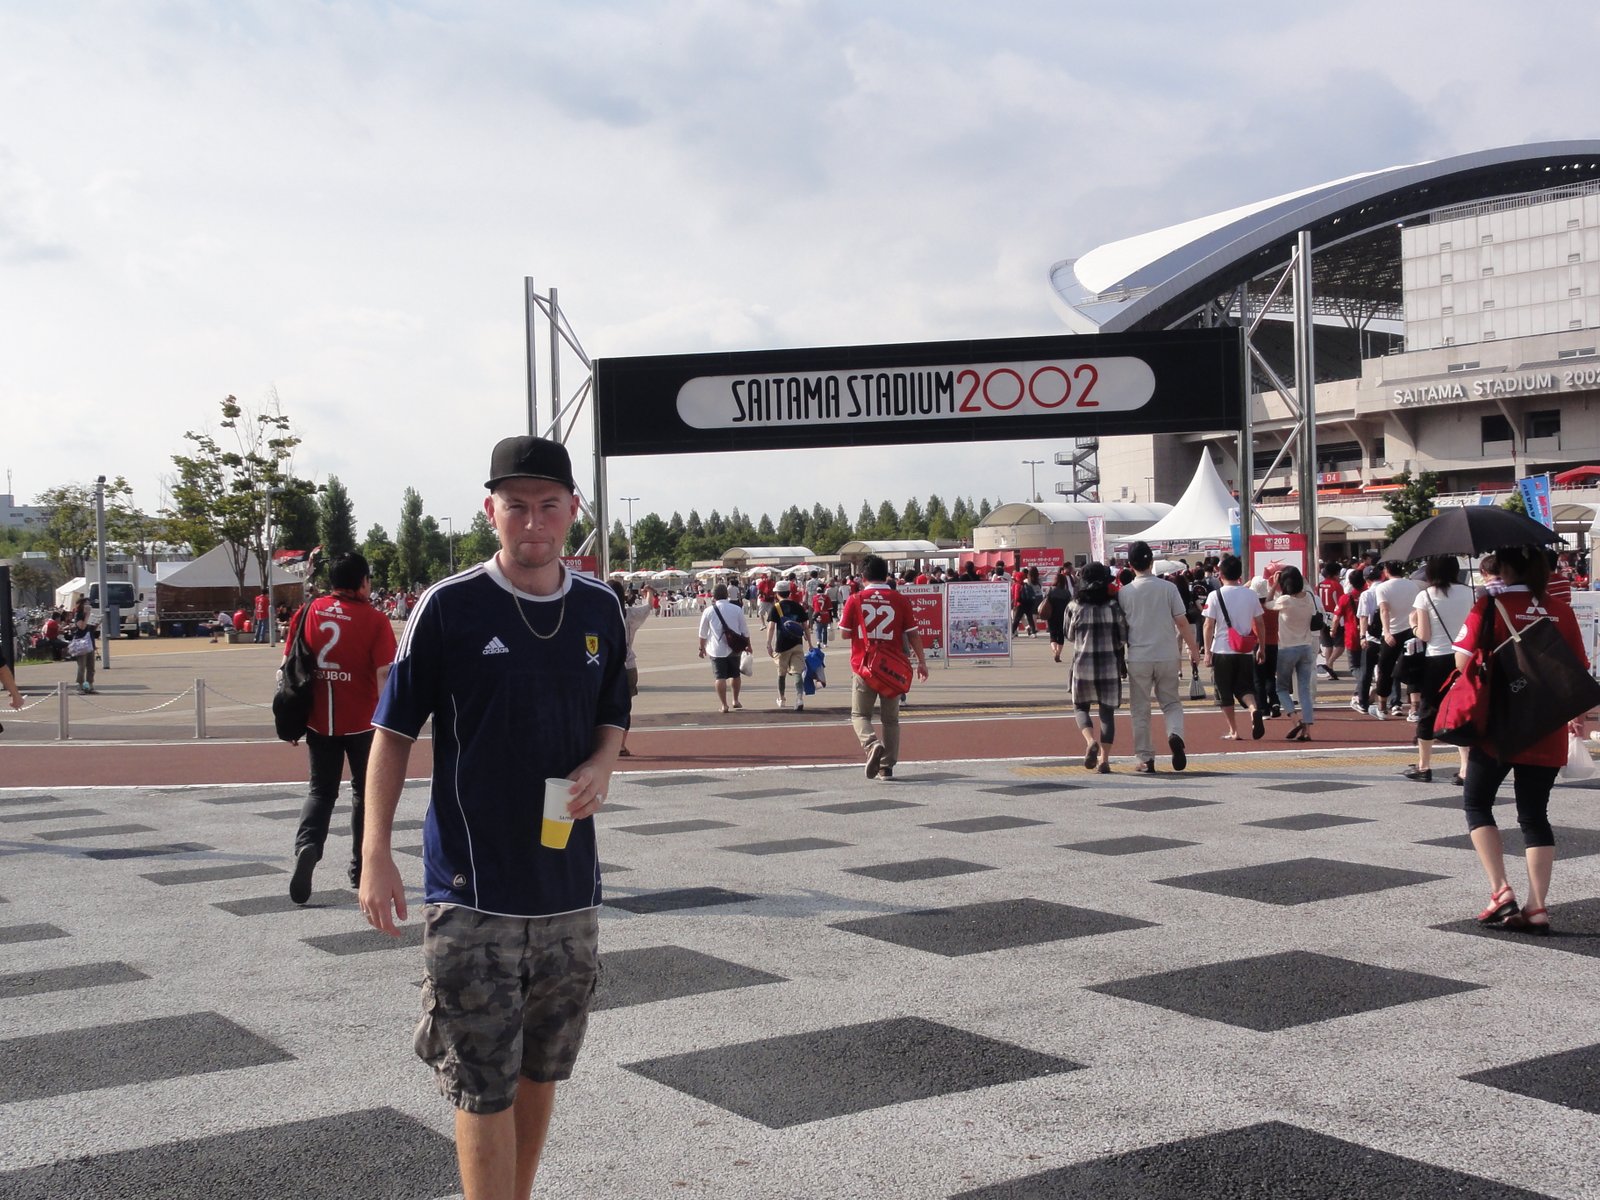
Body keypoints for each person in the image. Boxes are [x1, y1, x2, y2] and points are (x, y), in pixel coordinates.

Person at [359, 435, 626, 1199]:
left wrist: (603, 764)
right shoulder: (449, 608)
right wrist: (375, 852)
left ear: (574, 511)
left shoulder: (600, 607)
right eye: (516, 506)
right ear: (490, 513)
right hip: (472, 890)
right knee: (482, 1079)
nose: (533, 521)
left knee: (544, 1067)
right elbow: (392, 734)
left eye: (549, 505)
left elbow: (614, 710)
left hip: (569, 886)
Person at [1452, 545, 1588, 936]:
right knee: (1534, 815)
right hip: (1546, 723)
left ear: (1506, 568)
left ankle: (1500, 891)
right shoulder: (1559, 608)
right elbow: (1577, 669)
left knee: (1477, 803)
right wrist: (1576, 717)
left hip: (1498, 724)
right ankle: (1538, 907)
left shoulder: (1488, 606)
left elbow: (1463, 664)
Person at [286, 553, 398, 903]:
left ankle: (308, 846)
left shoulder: (308, 611)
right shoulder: (375, 620)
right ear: (363, 581)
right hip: (362, 722)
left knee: (320, 791)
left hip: (319, 719)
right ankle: (360, 866)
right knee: (365, 794)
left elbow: (289, 661)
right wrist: (390, 721)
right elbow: (384, 674)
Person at [840, 554, 929, 780]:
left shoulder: (856, 599)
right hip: (893, 667)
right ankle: (886, 766)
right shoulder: (899, 599)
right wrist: (922, 662)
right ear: (886, 575)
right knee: (891, 720)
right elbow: (913, 634)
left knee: (860, 714)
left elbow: (844, 633)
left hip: (864, 666)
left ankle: (871, 744)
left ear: (863, 576)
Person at [1118, 542, 1199, 773]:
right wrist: (1193, 650)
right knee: (1171, 703)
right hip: (1167, 654)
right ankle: (1175, 734)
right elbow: (1182, 622)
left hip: (1138, 657)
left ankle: (1146, 758)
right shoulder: (1169, 588)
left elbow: (1122, 629)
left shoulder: (1125, 593)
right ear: (1152, 562)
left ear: (1130, 565)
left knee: (1140, 709)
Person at [1405, 555, 1474, 785]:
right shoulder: (1470, 593)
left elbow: (1424, 635)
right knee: (1462, 710)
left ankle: (1424, 767)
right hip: (1464, 658)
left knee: (1428, 710)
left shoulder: (1424, 596)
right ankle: (1465, 769)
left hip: (1436, 659)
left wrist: (1413, 623)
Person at [1065, 563, 1128, 773]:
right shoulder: (1113, 606)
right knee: (1107, 713)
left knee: (1080, 707)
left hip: (1082, 665)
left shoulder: (1074, 606)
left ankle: (1090, 740)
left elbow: (1069, 635)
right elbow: (1123, 638)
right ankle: (1104, 759)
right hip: (1109, 666)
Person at [1202, 554, 1266, 739]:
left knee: (1224, 692)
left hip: (1222, 649)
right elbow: (1260, 623)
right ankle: (1253, 709)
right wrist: (1261, 647)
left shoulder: (1215, 595)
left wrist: (1207, 652)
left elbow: (1208, 625)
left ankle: (1234, 730)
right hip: (1245, 649)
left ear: (1220, 574)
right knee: (1245, 687)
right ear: (1240, 575)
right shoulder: (1251, 594)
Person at [1268, 565, 1317, 742]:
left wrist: (1274, 585)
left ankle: (1295, 719)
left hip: (1286, 649)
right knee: (1304, 690)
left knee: (1281, 688)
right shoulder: (1309, 599)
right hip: (1305, 647)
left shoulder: (1285, 600)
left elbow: (1267, 604)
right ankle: (1308, 731)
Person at [1370, 560, 1419, 718]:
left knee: (1385, 669)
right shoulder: (1413, 585)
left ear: (1386, 571)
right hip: (1411, 630)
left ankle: (1382, 707)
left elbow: (1384, 610)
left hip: (1392, 632)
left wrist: (1387, 631)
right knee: (1413, 668)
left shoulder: (1383, 587)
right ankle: (1414, 708)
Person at [610, 581, 653, 756]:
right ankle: (620, 744)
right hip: (628, 665)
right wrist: (648, 592)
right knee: (625, 707)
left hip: (606, 667)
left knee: (601, 706)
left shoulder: (599, 613)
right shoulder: (631, 615)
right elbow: (648, 606)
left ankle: (601, 744)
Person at [697, 583, 750, 713]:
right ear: (727, 595)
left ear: (713, 596)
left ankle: (724, 705)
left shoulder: (708, 611)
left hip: (716, 649)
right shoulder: (736, 609)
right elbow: (745, 631)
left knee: (720, 677)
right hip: (735, 647)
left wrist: (701, 648)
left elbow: (702, 633)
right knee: (735, 675)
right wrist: (749, 645)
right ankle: (735, 700)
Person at [768, 579, 813, 711]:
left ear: (777, 593)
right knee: (798, 671)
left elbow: (771, 627)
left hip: (782, 644)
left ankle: (781, 698)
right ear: (789, 592)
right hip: (797, 643)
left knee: (781, 673)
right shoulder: (798, 606)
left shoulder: (776, 607)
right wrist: (810, 643)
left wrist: (768, 644)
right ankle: (799, 698)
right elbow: (806, 627)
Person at [1316, 562, 1346, 680]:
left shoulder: (1319, 585)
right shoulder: (1337, 586)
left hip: (1323, 617)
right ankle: (1329, 664)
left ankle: (1330, 669)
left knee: (1328, 645)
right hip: (1334, 617)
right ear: (1335, 574)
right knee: (1340, 645)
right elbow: (1341, 602)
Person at [1043, 568, 1073, 663]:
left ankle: (1054, 651)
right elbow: (1070, 605)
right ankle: (1058, 653)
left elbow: (1045, 601)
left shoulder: (1050, 590)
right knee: (1060, 635)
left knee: (1052, 635)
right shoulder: (1066, 592)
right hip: (1063, 615)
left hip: (1051, 615)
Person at [68, 614, 97, 694]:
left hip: (90, 643)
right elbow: (82, 627)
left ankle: (89, 685)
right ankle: (80, 685)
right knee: (82, 666)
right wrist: (87, 616)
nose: (88, 606)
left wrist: (97, 623)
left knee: (91, 666)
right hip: (81, 644)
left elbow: (92, 629)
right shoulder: (79, 616)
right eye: (86, 603)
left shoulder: (90, 615)